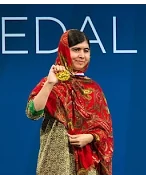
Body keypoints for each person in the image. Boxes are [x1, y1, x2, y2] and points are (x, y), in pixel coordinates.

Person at [25, 29, 114, 175]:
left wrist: (90, 137)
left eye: (86, 50)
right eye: (76, 50)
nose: (81, 55)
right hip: (56, 160)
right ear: (64, 51)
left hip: (87, 165)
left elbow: (105, 130)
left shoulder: (94, 89)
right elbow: (32, 113)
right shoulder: (51, 82)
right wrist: (50, 83)